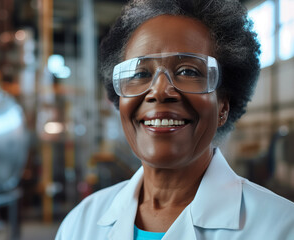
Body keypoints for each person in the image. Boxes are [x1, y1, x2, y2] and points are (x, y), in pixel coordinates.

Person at [56, 0, 294, 239]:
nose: (159, 91)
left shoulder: (280, 227)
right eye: (140, 73)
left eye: (188, 71)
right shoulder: (80, 225)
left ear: (222, 106)